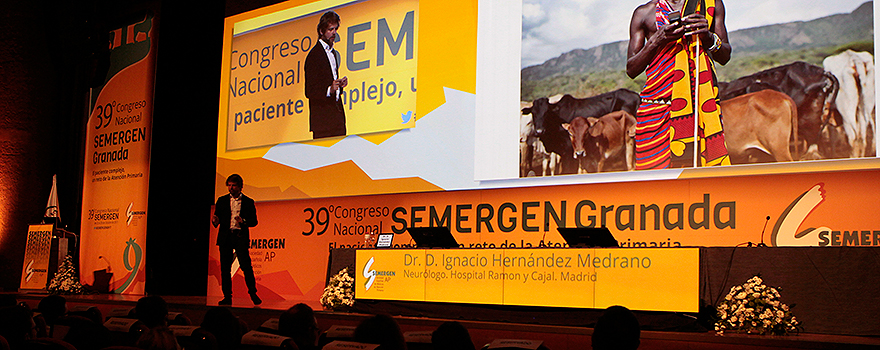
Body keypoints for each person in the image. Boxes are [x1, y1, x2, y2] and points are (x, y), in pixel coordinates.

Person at [626, 0, 731, 169]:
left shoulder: (709, 5)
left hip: (699, 110)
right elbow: (631, 69)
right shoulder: (644, 13)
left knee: (699, 180)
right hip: (656, 111)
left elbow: (725, 56)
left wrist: (708, 37)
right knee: (654, 184)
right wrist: (657, 39)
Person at [212, 173, 261, 305]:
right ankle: (227, 297)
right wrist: (215, 221)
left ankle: (253, 293)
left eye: (233, 185)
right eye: (229, 185)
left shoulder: (248, 202)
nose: (231, 188)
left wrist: (243, 221)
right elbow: (217, 220)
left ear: (240, 187)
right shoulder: (221, 200)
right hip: (226, 237)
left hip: (240, 237)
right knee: (225, 269)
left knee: (246, 266)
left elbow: (254, 221)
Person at [305, 10, 348, 139]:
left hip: (337, 118)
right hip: (323, 122)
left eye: (335, 29)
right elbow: (309, 91)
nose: (334, 32)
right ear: (321, 31)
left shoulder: (333, 53)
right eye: (330, 29)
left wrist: (339, 86)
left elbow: (330, 83)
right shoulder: (314, 56)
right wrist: (329, 89)